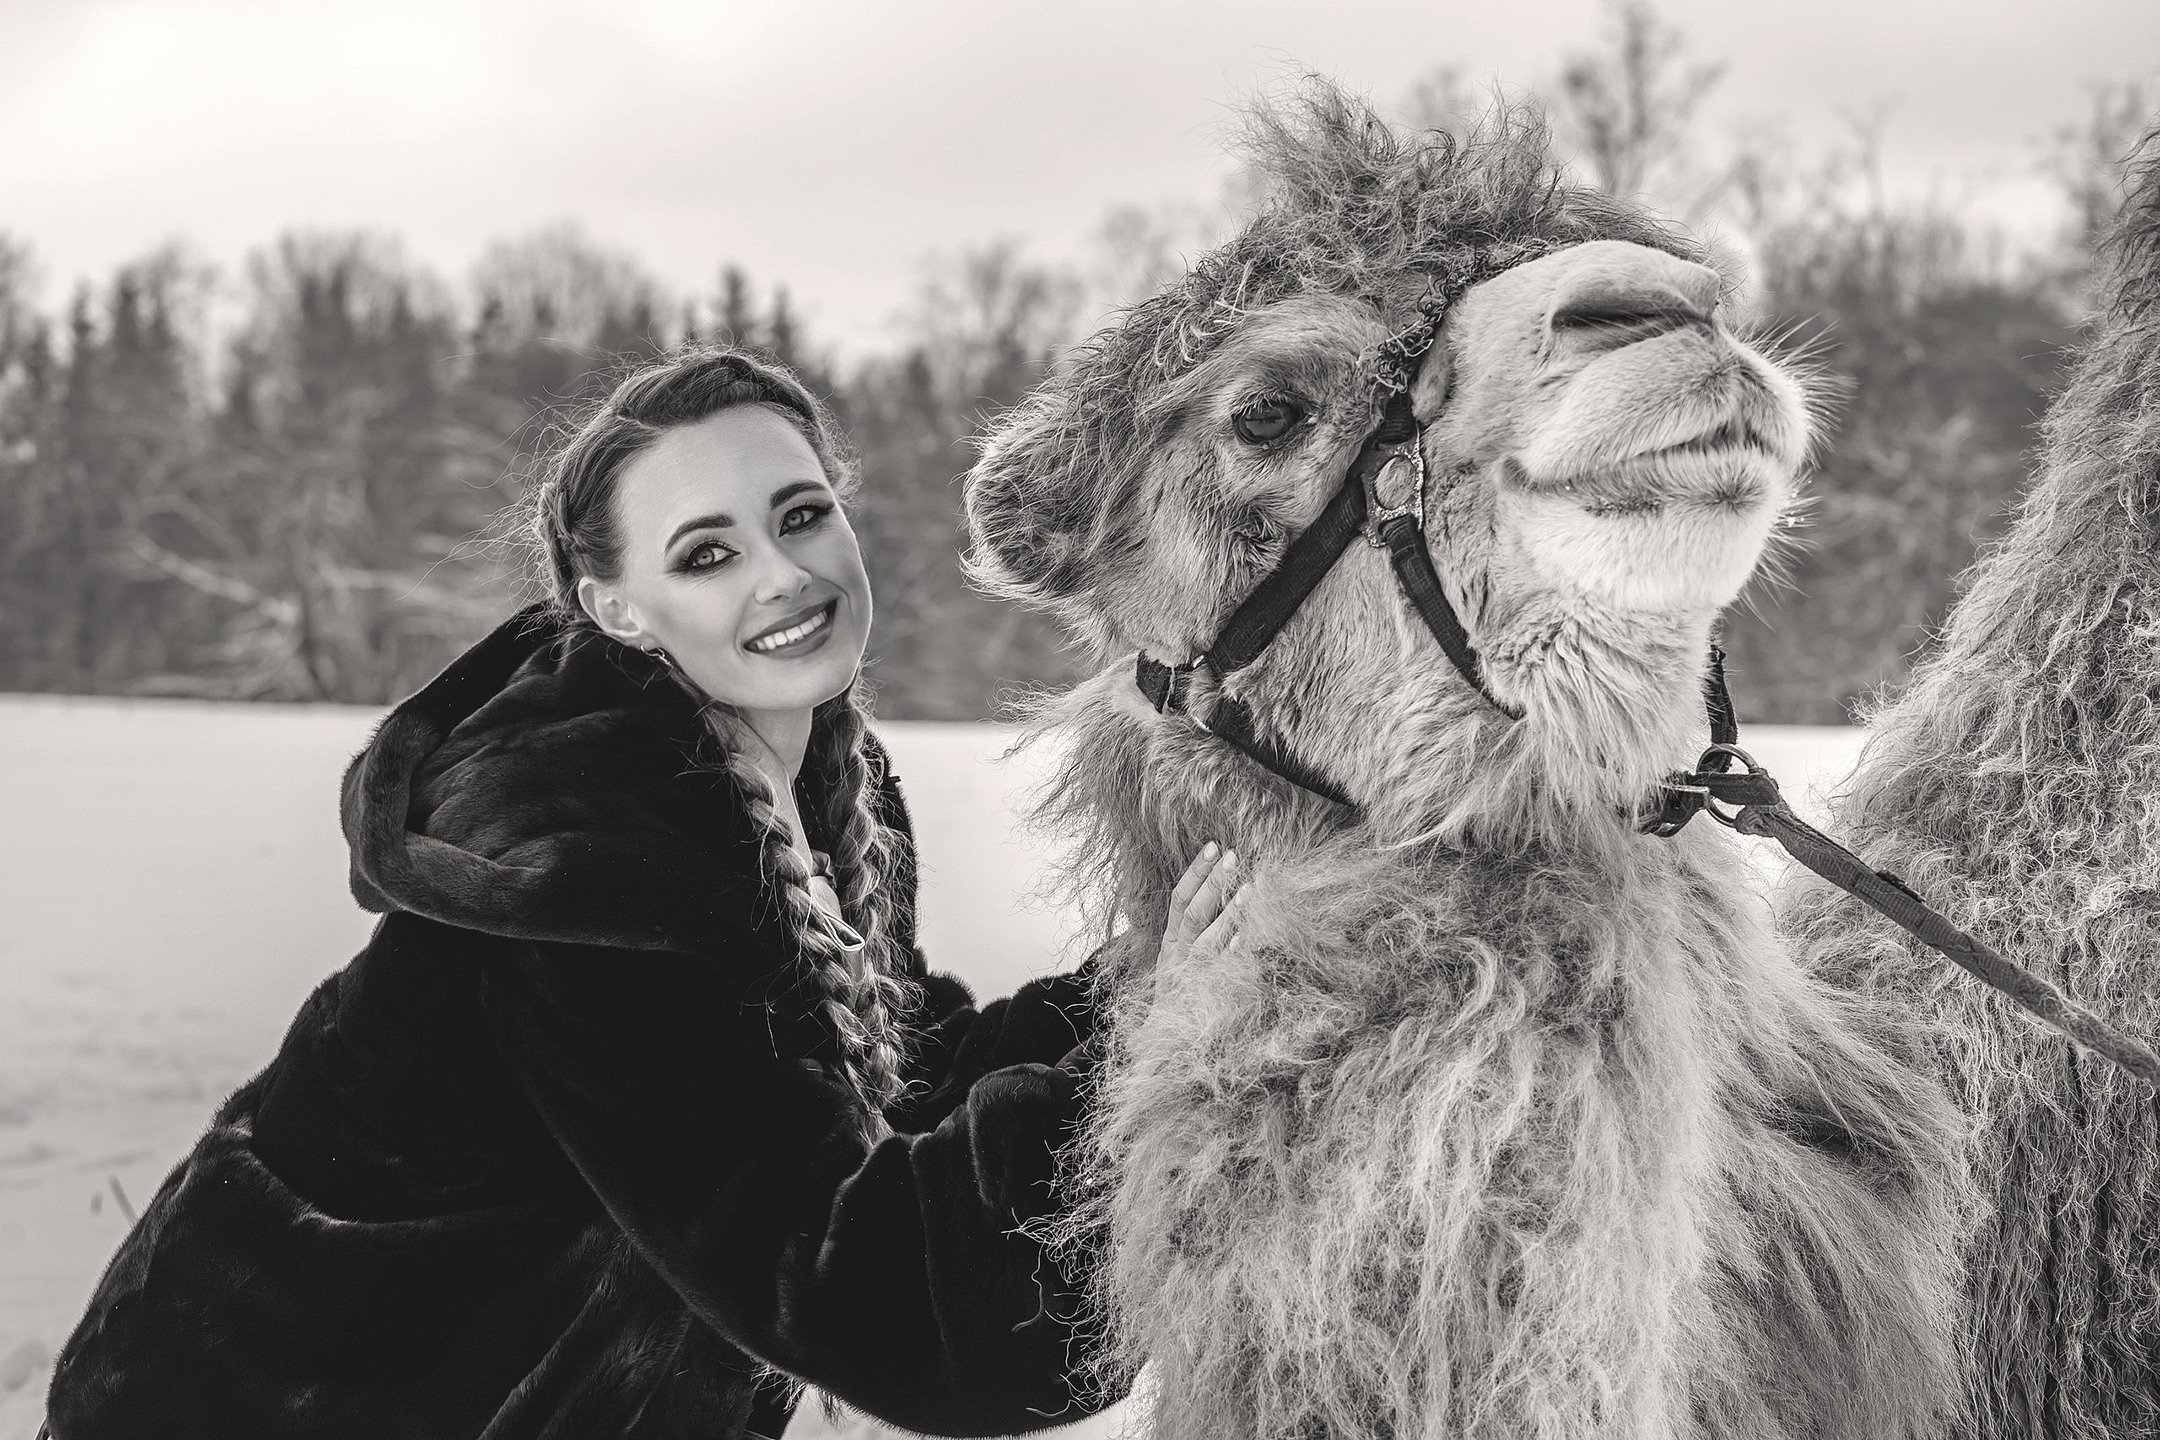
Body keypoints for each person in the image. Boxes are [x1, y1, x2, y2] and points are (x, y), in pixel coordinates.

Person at [42, 346, 1245, 1440]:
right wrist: (1138, 1065)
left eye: (802, 515)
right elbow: (864, 1296)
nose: (782, 576)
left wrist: (1136, 992)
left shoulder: (811, 783)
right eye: (707, 554)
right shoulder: (590, 856)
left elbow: (891, 1076)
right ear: (617, 607)